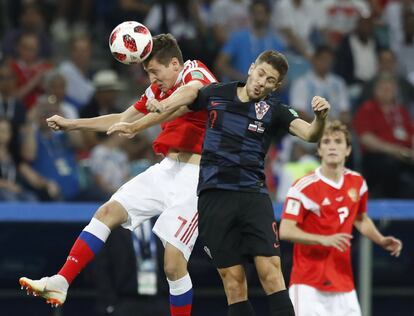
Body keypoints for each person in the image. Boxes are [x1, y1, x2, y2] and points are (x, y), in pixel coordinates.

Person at [19, 33, 217, 316]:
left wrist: (155, 112)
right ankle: (60, 281)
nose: (151, 79)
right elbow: (121, 119)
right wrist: (72, 124)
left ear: (175, 63)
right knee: (107, 212)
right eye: (147, 73)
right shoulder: (157, 91)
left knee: (173, 265)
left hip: (195, 178)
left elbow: (191, 94)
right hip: (165, 170)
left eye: (154, 72)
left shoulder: (192, 70)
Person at [139, 49, 331, 316]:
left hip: (252, 197)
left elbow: (310, 135)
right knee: (233, 283)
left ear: (277, 86)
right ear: (252, 68)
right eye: (261, 73)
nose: (262, 82)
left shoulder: (276, 110)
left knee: (271, 275)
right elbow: (190, 95)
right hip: (213, 198)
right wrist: (161, 105)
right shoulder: (216, 93)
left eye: (270, 80)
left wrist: (320, 118)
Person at [279, 120, 403, 316]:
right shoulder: (303, 186)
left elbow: (360, 218)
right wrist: (323, 239)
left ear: (348, 150)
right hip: (308, 284)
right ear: (319, 150)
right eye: (326, 142)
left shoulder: (357, 182)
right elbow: (285, 230)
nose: (332, 147)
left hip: (343, 284)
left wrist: (380, 239)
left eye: (338, 142)